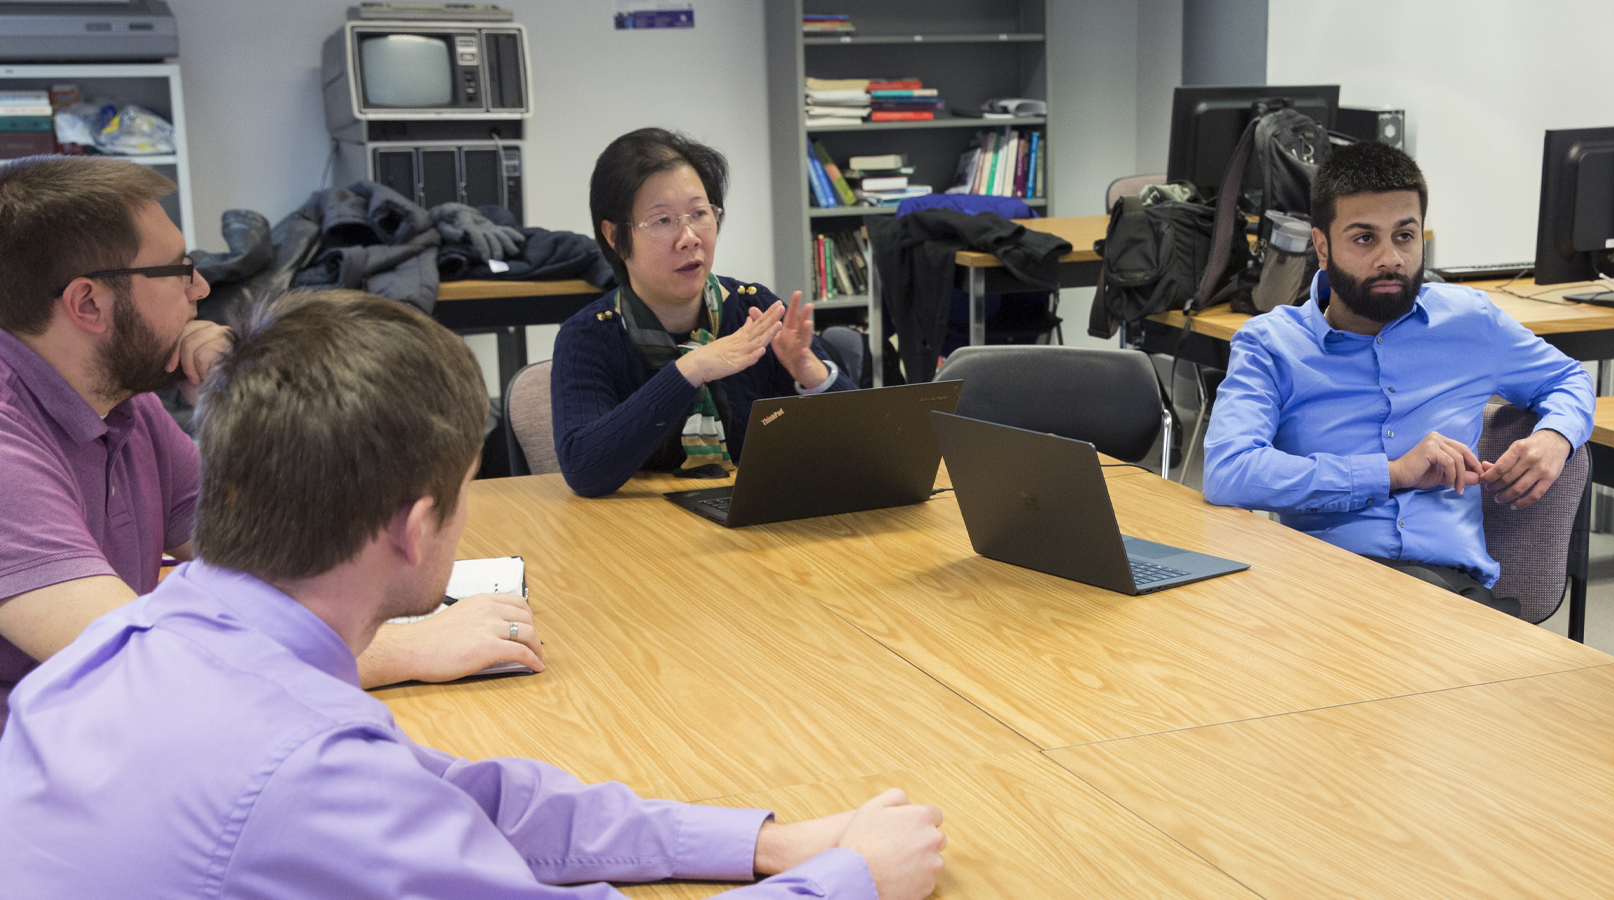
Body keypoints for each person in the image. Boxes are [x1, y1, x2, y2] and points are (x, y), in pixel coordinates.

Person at [0, 289, 949, 898]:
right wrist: (852, 879)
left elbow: (473, 802)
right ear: (416, 527)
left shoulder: (156, 640)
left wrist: (762, 844)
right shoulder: (305, 768)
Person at [0, 156, 541, 719]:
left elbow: (280, 557)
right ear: (89, 303)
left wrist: (250, 393)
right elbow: (145, 669)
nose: (202, 288)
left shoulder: (126, 406)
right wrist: (405, 649)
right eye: (178, 270)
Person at [1201, 141, 1596, 610]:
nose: (1391, 258)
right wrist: (1389, 474)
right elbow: (1229, 471)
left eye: (1404, 236)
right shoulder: (1271, 344)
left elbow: (1569, 378)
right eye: (1365, 238)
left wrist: (1555, 437)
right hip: (1318, 588)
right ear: (1322, 247)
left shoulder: (1472, 322)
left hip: (1447, 593)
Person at [553, 128, 854, 498]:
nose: (690, 237)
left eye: (700, 213)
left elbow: (864, 443)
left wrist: (810, 373)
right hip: (638, 539)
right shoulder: (589, 337)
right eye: (662, 221)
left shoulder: (753, 310)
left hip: (750, 527)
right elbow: (585, 470)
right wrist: (691, 369)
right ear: (615, 237)